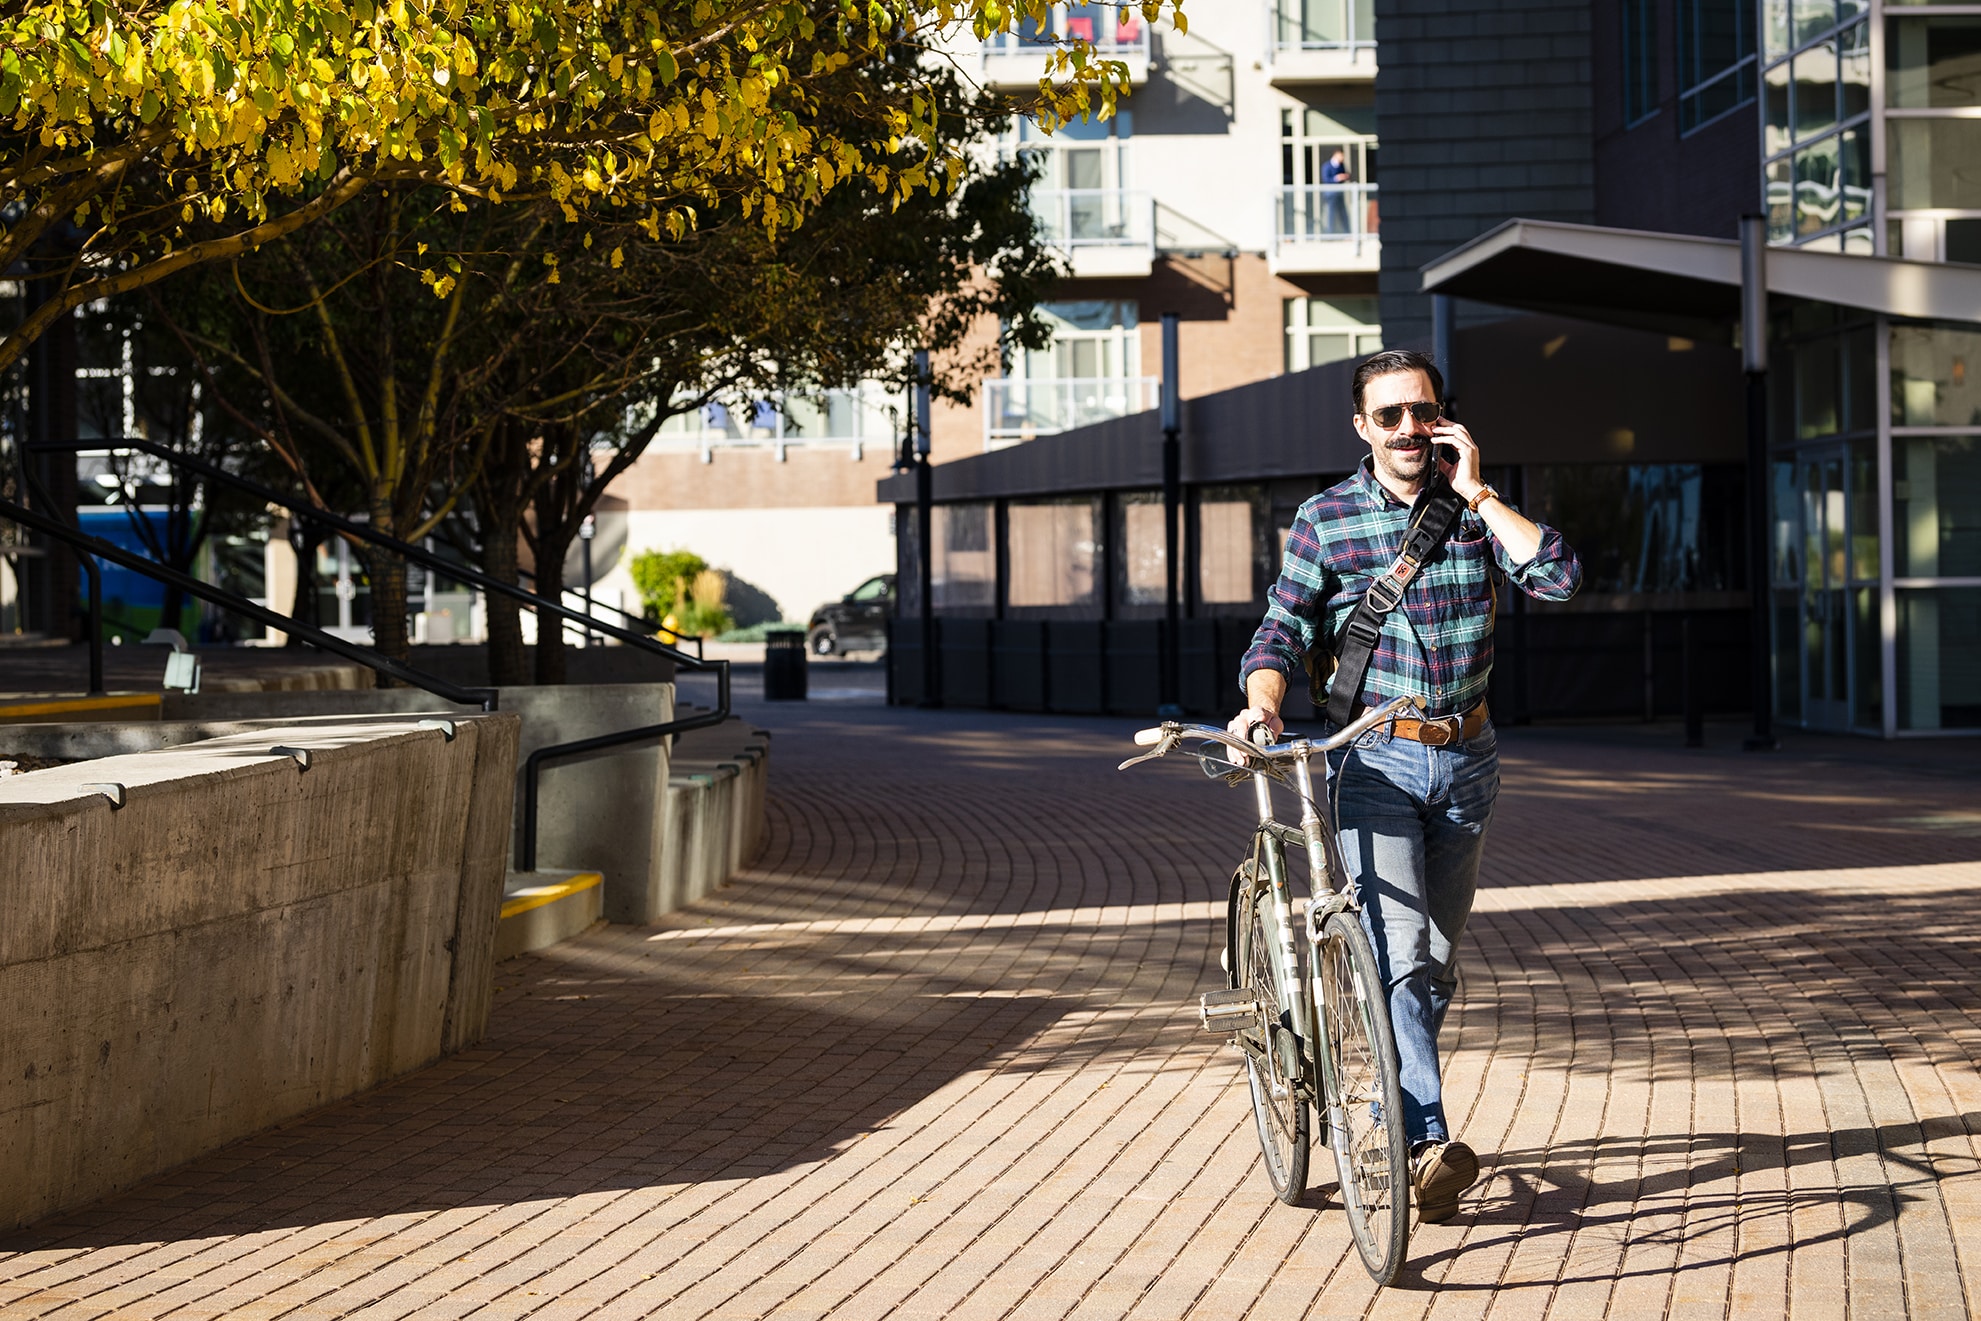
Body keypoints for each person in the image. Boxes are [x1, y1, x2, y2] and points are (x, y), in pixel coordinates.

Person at [1227, 348, 1581, 1223]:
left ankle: (1385, 1053)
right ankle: (1422, 1139)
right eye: (1388, 416)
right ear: (1362, 427)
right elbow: (1278, 632)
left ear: (1444, 418)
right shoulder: (1325, 518)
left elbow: (1561, 579)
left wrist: (1482, 493)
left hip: (1468, 759)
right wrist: (1261, 709)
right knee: (1402, 948)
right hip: (1370, 760)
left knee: (1432, 957)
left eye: (1421, 412)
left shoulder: (1470, 512)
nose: (1407, 430)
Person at [1320, 147, 1352, 235]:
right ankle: (1330, 234)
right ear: (1336, 155)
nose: (1342, 158)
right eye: (1341, 156)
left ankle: (1347, 233)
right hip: (1330, 194)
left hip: (1339, 194)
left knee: (1343, 214)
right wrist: (1336, 178)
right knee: (1331, 214)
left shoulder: (1341, 165)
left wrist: (1344, 177)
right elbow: (1326, 179)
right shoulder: (1327, 166)